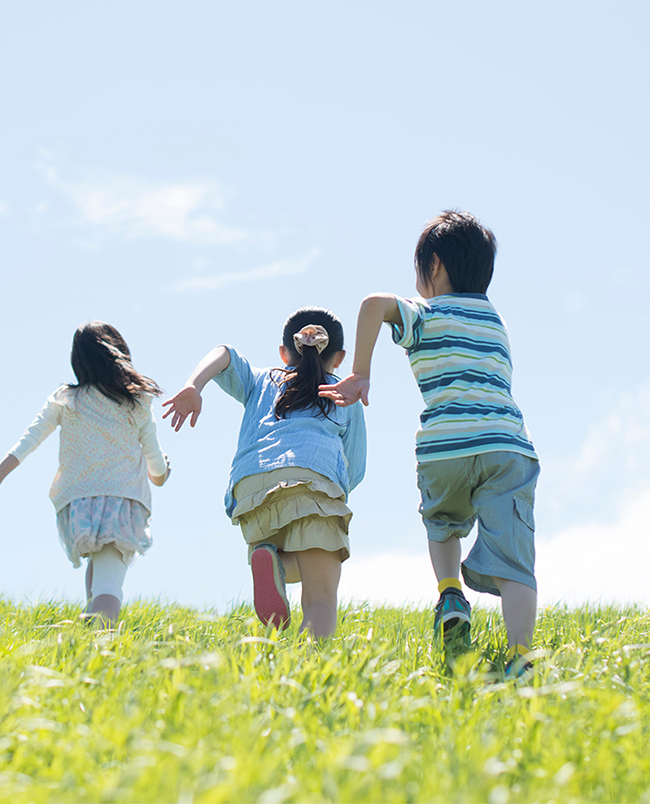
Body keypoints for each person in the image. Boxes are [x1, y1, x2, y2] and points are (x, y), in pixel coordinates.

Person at [321, 210, 539, 677]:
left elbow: (374, 304)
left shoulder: (427, 313)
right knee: (516, 565)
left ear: (434, 266)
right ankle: (521, 661)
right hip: (506, 445)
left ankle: (449, 592)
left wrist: (360, 371)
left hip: (444, 447)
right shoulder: (494, 320)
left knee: (442, 523)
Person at [162, 308, 366, 638]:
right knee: (321, 598)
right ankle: (311, 672)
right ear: (339, 358)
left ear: (284, 353)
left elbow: (224, 353)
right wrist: (335, 506)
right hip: (313, 483)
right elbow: (354, 467)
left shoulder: (263, 379)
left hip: (252, 489)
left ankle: (269, 558)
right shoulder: (343, 394)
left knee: (292, 559)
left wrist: (193, 385)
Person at [0, 321, 170, 627]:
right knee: (109, 584)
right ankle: (100, 646)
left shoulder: (67, 399)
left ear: (78, 362)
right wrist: (162, 473)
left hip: (80, 506)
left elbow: (28, 441)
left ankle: (90, 638)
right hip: (121, 504)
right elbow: (156, 467)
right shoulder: (137, 401)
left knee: (98, 577)